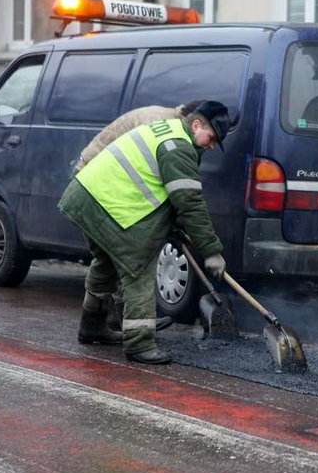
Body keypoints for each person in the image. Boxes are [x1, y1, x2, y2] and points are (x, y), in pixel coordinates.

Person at [58, 101, 231, 364]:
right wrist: (211, 251)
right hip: (107, 205)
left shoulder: (168, 129)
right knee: (139, 267)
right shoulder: (178, 147)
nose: (211, 145)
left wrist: (175, 226)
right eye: (211, 138)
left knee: (105, 264)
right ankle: (139, 344)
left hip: (85, 197)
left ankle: (91, 325)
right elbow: (189, 201)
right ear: (196, 125)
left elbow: (164, 192)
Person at [72, 101, 204, 334]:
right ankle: (129, 328)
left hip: (102, 183)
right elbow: (152, 178)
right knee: (132, 258)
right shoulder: (161, 126)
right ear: (190, 120)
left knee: (113, 262)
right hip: (100, 184)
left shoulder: (167, 120)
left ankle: (112, 323)